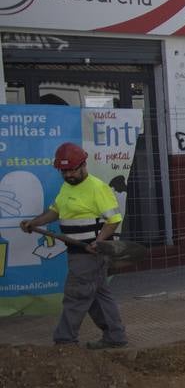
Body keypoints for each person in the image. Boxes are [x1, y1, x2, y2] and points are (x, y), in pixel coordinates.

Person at [20, 142, 129, 349]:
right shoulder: (67, 187)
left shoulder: (97, 188)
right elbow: (56, 211)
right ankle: (115, 336)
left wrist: (99, 242)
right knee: (98, 296)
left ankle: (65, 340)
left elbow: (113, 220)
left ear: (83, 165)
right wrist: (35, 222)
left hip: (89, 254)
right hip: (77, 252)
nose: (68, 174)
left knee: (76, 295)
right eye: (64, 171)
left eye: (72, 170)